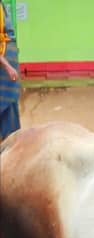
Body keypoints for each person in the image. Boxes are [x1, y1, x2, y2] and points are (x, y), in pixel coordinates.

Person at [0, 0, 21, 141]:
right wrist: (8, 66)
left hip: (8, 67)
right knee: (5, 104)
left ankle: (12, 140)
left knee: (11, 104)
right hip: (4, 70)